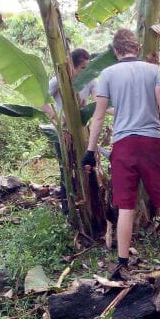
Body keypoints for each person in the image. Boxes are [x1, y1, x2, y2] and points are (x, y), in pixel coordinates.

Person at [84, 28, 160, 278]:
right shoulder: (152, 70)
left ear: (116, 51)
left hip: (123, 145)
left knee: (125, 205)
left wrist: (90, 151)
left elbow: (99, 115)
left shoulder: (107, 74)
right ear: (136, 48)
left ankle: (122, 263)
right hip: (152, 143)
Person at [44, 48, 96, 215]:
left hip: (83, 133)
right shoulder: (59, 80)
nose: (85, 71)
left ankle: (91, 205)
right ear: (72, 67)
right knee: (66, 168)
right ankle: (69, 208)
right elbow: (41, 100)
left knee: (88, 168)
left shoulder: (90, 80)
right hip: (64, 134)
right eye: (82, 67)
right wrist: (55, 117)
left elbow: (98, 101)